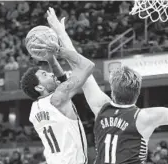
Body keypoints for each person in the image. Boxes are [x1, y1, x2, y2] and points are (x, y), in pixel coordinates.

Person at [46, 8, 168, 164]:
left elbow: (79, 65)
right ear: (137, 93)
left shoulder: (102, 108)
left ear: (113, 92)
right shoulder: (146, 117)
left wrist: (60, 32)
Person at [21, 10, 95, 164]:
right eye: (44, 75)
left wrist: (50, 59)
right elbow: (88, 66)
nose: (50, 74)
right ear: (39, 88)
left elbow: (61, 82)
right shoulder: (59, 97)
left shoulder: (34, 110)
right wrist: (59, 51)